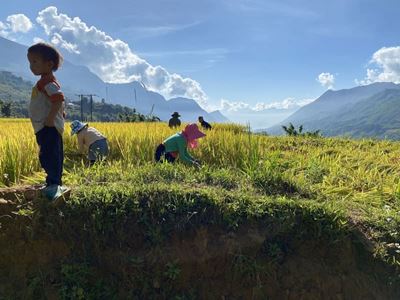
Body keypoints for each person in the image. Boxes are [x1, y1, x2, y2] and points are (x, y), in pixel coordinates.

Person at [27, 42, 69, 203]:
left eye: (35, 62)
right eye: (30, 62)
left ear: (49, 64)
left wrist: (51, 119)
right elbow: (57, 103)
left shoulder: (46, 82)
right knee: (49, 156)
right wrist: (58, 114)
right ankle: (52, 184)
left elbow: (58, 98)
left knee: (50, 156)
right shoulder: (45, 81)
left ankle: (54, 188)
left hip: (48, 127)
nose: (31, 66)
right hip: (45, 127)